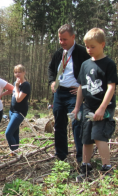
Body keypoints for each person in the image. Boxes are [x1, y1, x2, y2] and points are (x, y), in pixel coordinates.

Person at [71, 28, 118, 181]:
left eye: (92, 46)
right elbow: (81, 88)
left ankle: (106, 168)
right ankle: (85, 167)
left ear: (102, 44)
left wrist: (102, 108)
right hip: (88, 108)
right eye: (86, 46)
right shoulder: (85, 65)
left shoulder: (108, 64)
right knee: (86, 138)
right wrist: (78, 107)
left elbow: (111, 86)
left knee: (98, 136)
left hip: (104, 108)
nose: (89, 49)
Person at [48, 24, 90, 163]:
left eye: (65, 39)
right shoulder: (59, 53)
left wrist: (81, 86)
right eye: (60, 39)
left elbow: (90, 71)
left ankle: (80, 158)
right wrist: (52, 82)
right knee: (59, 124)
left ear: (73, 37)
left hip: (75, 95)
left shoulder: (83, 52)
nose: (62, 42)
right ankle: (61, 156)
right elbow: (51, 69)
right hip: (59, 94)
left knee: (77, 123)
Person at [5, 65, 31, 155]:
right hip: (12, 111)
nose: (17, 74)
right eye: (15, 72)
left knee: (8, 133)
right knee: (15, 132)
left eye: (19, 72)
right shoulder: (16, 82)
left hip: (19, 112)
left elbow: (19, 99)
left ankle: (15, 152)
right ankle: (16, 151)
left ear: (24, 72)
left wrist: (16, 86)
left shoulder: (25, 85)